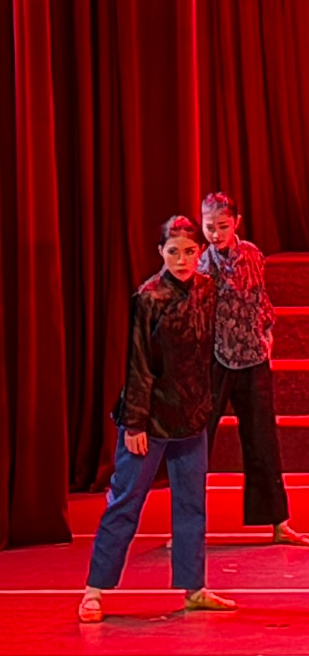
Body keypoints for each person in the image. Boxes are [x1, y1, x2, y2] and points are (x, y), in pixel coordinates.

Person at [79, 218, 237, 622]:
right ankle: (94, 589)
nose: (181, 260)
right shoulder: (149, 298)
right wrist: (135, 423)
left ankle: (194, 587)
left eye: (189, 252)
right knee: (126, 501)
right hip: (149, 421)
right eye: (173, 252)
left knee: (191, 504)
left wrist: (205, 406)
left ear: (199, 253)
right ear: (161, 253)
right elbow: (138, 364)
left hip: (190, 417)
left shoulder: (207, 290)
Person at [197, 192, 307, 546]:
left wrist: (268, 330)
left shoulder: (253, 255)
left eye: (222, 226)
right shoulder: (201, 264)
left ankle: (278, 522)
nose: (216, 234)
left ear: (236, 223)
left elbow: (260, 297)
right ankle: (187, 526)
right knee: (197, 443)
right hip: (215, 359)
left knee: (262, 440)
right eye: (210, 227)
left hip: (253, 355)